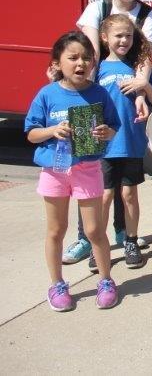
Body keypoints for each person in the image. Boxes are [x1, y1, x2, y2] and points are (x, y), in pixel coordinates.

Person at [69, 0, 152, 265]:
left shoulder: (146, 14)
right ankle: (87, 240)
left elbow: (145, 56)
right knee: (91, 184)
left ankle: (123, 235)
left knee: (123, 188)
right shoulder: (97, 9)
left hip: (127, 105)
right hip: (92, 100)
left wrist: (141, 87)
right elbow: (89, 54)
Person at [27, 32, 120, 311]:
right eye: (73, 57)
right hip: (54, 170)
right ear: (57, 63)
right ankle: (57, 284)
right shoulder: (47, 94)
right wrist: (52, 131)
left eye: (86, 58)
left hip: (88, 167)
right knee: (56, 229)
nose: (81, 63)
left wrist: (106, 133)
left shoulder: (99, 92)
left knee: (94, 229)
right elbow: (31, 133)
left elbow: (113, 126)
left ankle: (106, 280)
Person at [97, 15, 152, 270]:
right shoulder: (98, 69)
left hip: (131, 142)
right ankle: (98, 244)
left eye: (128, 36)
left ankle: (131, 240)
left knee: (129, 195)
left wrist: (144, 87)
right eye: (118, 36)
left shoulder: (137, 69)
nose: (124, 40)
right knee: (104, 196)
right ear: (104, 38)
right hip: (104, 145)